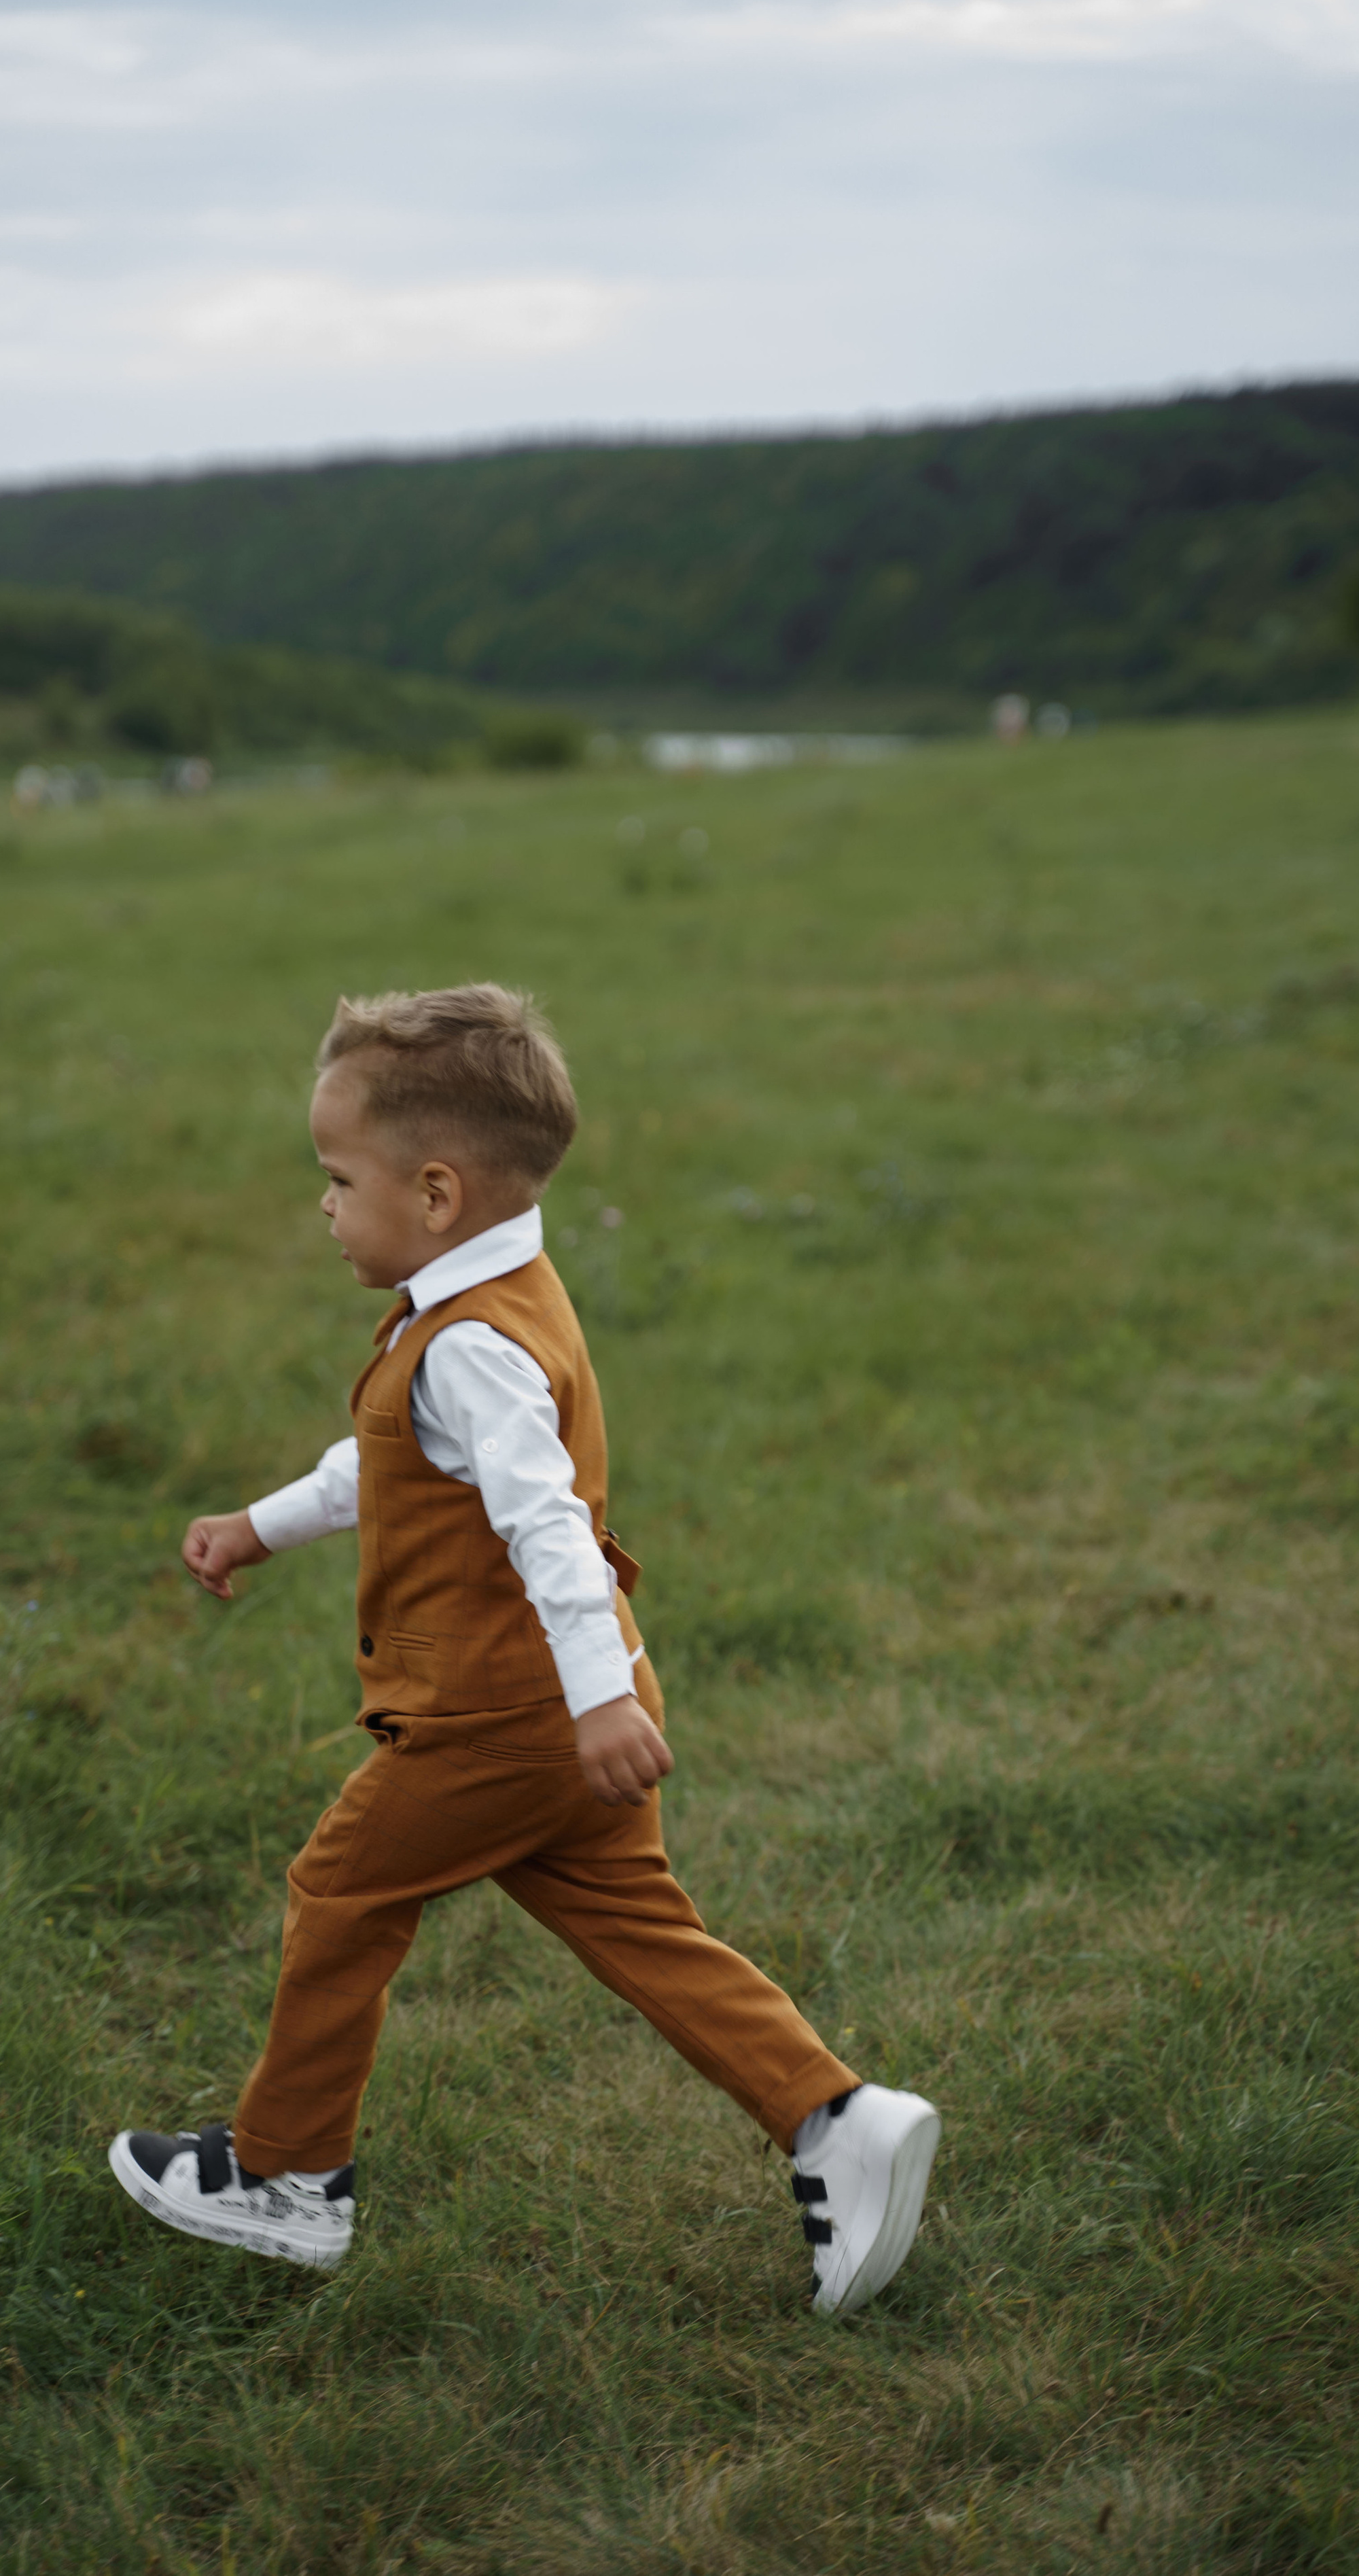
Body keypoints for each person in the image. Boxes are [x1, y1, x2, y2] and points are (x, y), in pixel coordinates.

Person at [109, 984, 940, 2311]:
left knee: (340, 1894)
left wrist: (597, 1706)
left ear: (434, 1194)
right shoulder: (501, 1295)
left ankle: (284, 2176)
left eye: (335, 1178)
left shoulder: (468, 1348)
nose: (322, 1205)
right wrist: (259, 1526)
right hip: (565, 1707)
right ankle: (835, 2121)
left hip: (496, 1722)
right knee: (638, 1927)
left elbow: (541, 1522)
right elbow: (396, 1460)